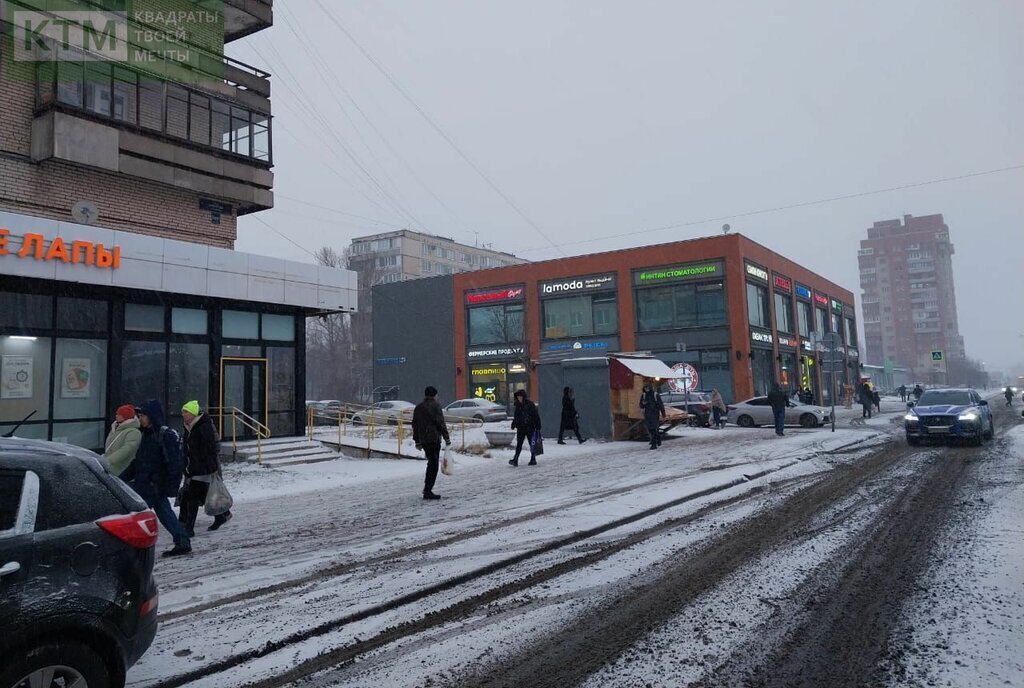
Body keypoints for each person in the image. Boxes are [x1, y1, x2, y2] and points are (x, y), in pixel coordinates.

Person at [123, 399, 191, 557]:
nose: (140, 419)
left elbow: (175, 464)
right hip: (147, 484)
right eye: (139, 416)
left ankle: (132, 547)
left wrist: (169, 486)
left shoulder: (164, 435)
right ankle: (182, 541)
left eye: (142, 416)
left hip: (154, 485)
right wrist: (121, 477)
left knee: (136, 515)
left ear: (151, 416)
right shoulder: (146, 435)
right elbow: (139, 462)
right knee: (161, 513)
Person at [177, 401, 231, 536]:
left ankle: (188, 528)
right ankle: (221, 515)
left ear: (193, 413)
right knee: (205, 494)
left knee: (192, 497)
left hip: (202, 469)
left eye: (185, 412)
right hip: (193, 468)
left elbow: (210, 449)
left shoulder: (203, 427)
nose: (183, 414)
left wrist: (206, 467)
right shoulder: (189, 426)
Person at [412, 386, 450, 499]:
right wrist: (446, 437)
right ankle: (428, 490)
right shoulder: (435, 406)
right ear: (434, 395)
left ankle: (427, 489)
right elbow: (440, 423)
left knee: (431, 463)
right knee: (433, 465)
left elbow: (415, 425)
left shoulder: (418, 407)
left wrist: (417, 440)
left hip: (423, 439)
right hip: (433, 438)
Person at [104, 404, 141, 477]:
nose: (116, 416)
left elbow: (127, 449)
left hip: (122, 469)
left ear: (126, 417)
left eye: (119, 414)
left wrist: (109, 460)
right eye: (117, 413)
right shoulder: (116, 428)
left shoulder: (133, 432)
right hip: (110, 466)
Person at [510, 389, 542, 466]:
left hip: (530, 427)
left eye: (520, 396)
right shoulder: (518, 405)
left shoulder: (530, 404)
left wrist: (538, 426)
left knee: (532, 443)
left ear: (523, 397)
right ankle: (515, 459)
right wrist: (514, 424)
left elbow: (535, 416)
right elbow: (516, 416)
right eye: (518, 397)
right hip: (521, 428)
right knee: (519, 444)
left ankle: (533, 458)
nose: (519, 398)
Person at [639, 381, 666, 449]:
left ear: (650, 388)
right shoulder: (644, 395)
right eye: (645, 388)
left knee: (653, 428)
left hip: (654, 414)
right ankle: (658, 438)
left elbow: (660, 404)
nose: (646, 389)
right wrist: (643, 404)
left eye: (647, 387)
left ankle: (654, 444)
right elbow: (641, 405)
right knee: (650, 429)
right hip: (647, 414)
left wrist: (663, 413)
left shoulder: (655, 394)